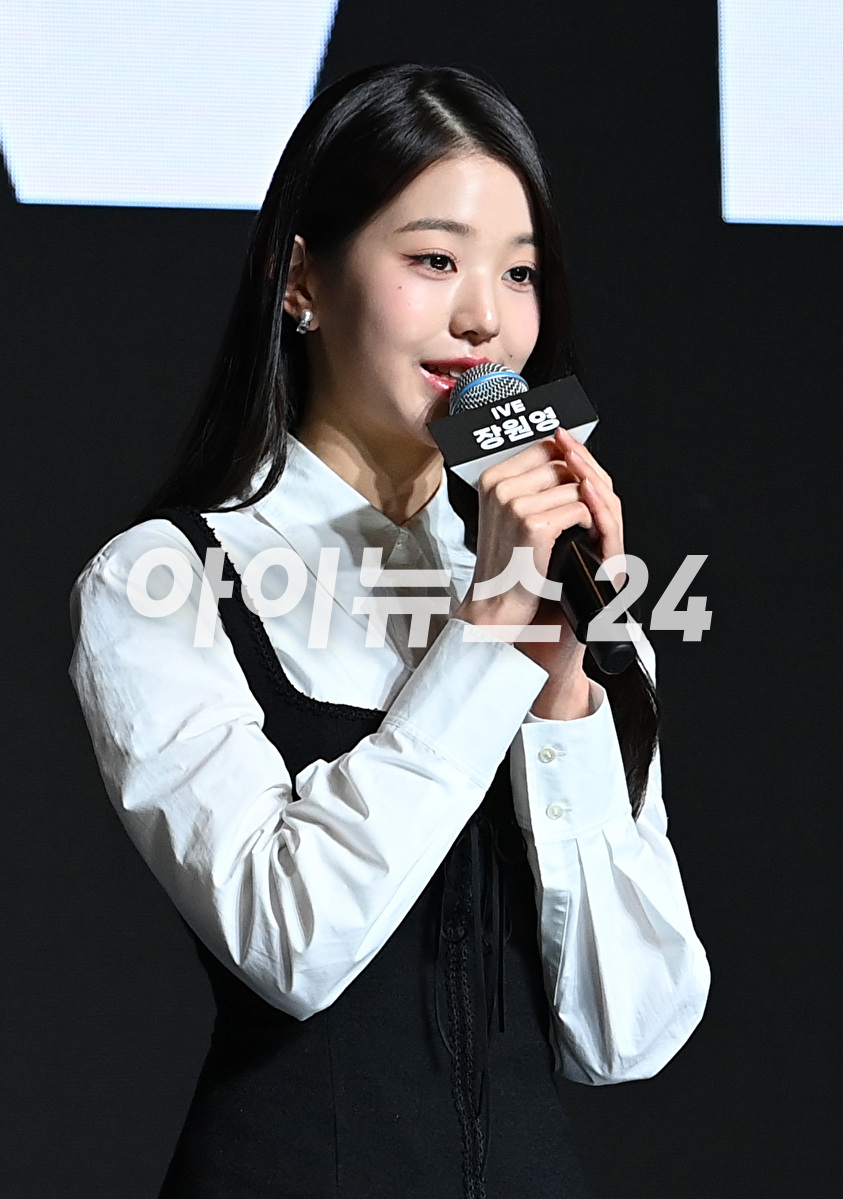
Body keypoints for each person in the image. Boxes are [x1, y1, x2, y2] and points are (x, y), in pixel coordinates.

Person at [69, 63, 710, 1199]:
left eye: (519, 271)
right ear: (301, 279)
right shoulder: (165, 580)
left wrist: (564, 688)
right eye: (434, 260)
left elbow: (629, 1032)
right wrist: (487, 629)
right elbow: (289, 941)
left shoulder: (567, 593)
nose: (483, 316)